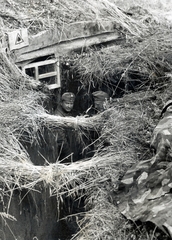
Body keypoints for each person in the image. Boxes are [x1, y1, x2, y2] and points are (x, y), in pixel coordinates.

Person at [54, 92, 82, 162]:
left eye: (71, 104)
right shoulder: (58, 116)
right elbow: (60, 139)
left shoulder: (71, 112)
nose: (69, 106)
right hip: (65, 152)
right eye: (67, 103)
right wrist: (69, 154)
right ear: (61, 103)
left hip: (73, 148)